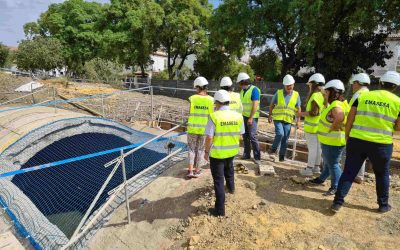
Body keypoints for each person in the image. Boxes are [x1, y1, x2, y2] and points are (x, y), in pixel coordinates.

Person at [332, 71, 400, 213]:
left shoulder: (363, 96)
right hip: (381, 144)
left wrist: (347, 135)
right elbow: (398, 127)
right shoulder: (397, 102)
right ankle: (383, 205)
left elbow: (350, 116)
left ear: (380, 83)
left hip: (357, 140)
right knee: (381, 174)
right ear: (395, 87)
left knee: (349, 172)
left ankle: (337, 203)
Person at [204, 90, 245, 217]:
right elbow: (241, 135)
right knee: (229, 169)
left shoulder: (214, 116)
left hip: (217, 153)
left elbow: (209, 137)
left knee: (218, 180)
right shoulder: (238, 116)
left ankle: (220, 210)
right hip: (232, 151)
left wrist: (206, 152)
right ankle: (231, 188)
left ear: (217, 102)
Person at [309, 80, 348, 196]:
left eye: (326, 93)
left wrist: (333, 127)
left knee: (333, 164)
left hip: (333, 142)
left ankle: (336, 187)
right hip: (334, 141)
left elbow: (340, 116)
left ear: (332, 93)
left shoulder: (335, 105)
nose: (325, 95)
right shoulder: (343, 104)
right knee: (328, 162)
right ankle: (321, 178)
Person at [268, 74, 301, 162]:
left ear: (293, 84)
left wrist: (298, 121)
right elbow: (272, 105)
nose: (289, 87)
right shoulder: (278, 93)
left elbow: (298, 108)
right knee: (280, 134)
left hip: (288, 120)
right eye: (287, 86)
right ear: (284, 85)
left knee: (285, 138)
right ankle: (273, 149)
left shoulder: (296, 95)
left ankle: (281, 157)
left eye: (290, 85)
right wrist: (270, 115)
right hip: (278, 118)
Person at [186, 76, 214, 178]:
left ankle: (190, 171)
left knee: (191, 149)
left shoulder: (192, 98)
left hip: (192, 128)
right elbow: (212, 116)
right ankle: (197, 170)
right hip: (204, 129)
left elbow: (189, 112)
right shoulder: (211, 100)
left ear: (198, 87)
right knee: (201, 149)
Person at [299, 73, 325, 176]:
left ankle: (309, 169)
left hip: (311, 128)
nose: (309, 86)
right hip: (319, 127)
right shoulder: (323, 95)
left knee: (313, 148)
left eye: (310, 84)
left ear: (314, 84)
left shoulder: (315, 95)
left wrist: (300, 114)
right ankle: (316, 168)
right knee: (318, 148)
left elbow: (314, 113)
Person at [348, 73, 370, 184]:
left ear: (358, 83)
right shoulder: (369, 94)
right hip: (366, 130)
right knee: (362, 155)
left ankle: (351, 175)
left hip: (356, 130)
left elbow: (351, 113)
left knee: (352, 155)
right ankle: (359, 176)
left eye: (353, 83)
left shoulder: (358, 95)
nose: (352, 86)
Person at [238, 72, 261, 164]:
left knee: (252, 136)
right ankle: (247, 154)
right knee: (245, 136)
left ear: (243, 82)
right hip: (243, 116)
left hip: (252, 117)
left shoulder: (254, 90)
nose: (239, 85)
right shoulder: (242, 91)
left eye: (240, 83)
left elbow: (255, 104)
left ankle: (257, 157)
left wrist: (251, 118)